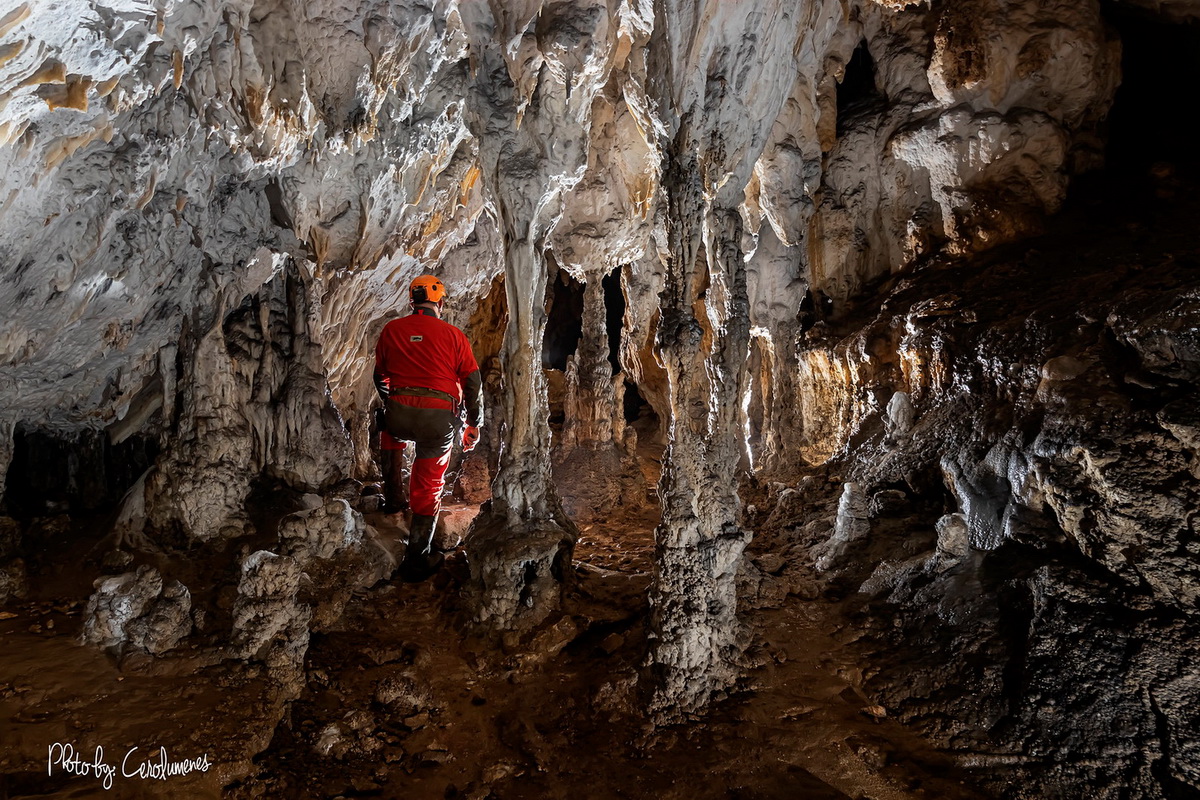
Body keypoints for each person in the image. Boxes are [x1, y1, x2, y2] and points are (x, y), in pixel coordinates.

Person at [374, 275, 483, 582]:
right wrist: (473, 423)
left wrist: (393, 402)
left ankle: (393, 500)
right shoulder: (453, 335)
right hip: (438, 417)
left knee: (389, 430)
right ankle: (418, 556)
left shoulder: (392, 329)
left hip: (399, 411)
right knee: (429, 482)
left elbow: (380, 376)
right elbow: (472, 382)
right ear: (440, 302)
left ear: (412, 301)